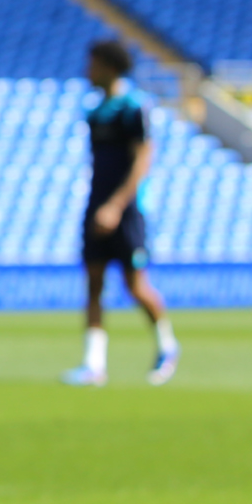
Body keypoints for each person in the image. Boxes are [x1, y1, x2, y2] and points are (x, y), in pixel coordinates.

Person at [63, 38, 180, 387]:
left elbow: (143, 158)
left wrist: (116, 205)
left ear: (109, 67)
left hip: (127, 210)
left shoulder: (134, 107)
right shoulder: (95, 111)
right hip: (95, 205)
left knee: (134, 284)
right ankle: (93, 364)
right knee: (94, 283)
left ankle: (167, 345)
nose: (88, 70)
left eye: (93, 63)